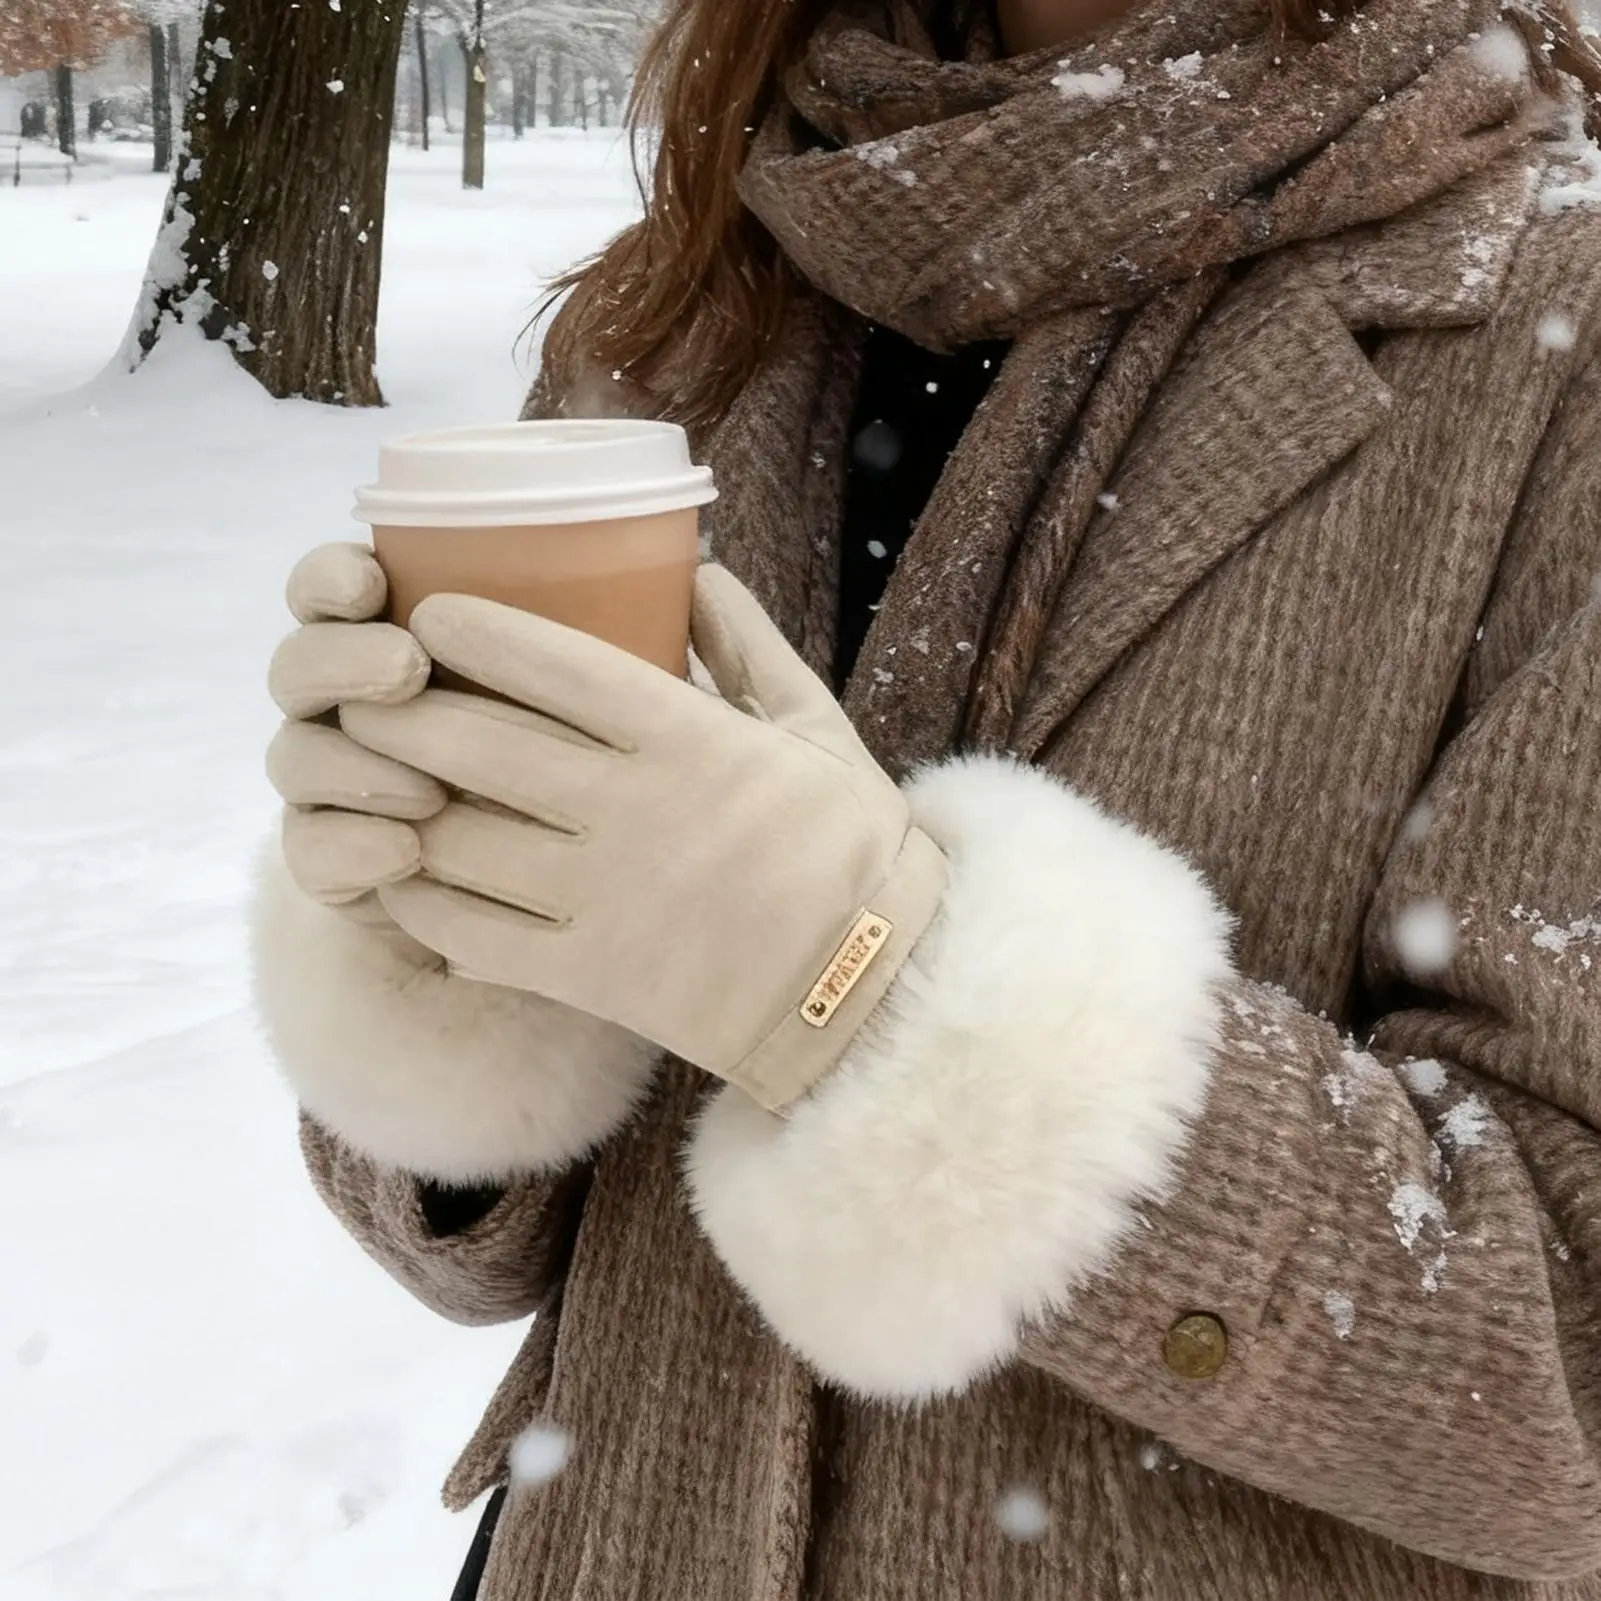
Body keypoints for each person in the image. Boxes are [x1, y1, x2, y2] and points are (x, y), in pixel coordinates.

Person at [252, 0, 1601, 1595]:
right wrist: (438, 922)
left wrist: (876, 990)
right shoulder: (694, 298)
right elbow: (479, 1249)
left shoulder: (1552, 332)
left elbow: (1563, 1360)